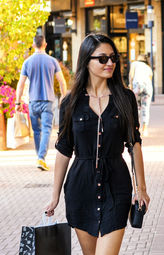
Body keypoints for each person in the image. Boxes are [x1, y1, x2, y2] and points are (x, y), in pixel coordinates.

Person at [46, 34, 150, 255]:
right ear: (87, 61)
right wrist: (54, 196)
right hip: (80, 189)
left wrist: (142, 188)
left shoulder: (125, 98)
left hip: (117, 187)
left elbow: (134, 144)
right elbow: (64, 150)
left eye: (113, 58)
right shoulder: (70, 102)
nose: (110, 63)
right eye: (102, 59)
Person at [15, 35, 67, 171]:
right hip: (48, 101)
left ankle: (40, 157)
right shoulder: (52, 61)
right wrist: (63, 97)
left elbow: (20, 84)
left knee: (37, 131)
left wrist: (17, 102)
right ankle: (41, 158)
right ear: (45, 44)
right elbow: (62, 81)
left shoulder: (27, 62)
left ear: (33, 45)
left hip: (33, 101)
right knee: (46, 130)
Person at [129, 54, 153, 136]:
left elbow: (131, 76)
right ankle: (145, 129)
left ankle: (136, 128)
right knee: (145, 108)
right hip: (147, 87)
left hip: (138, 86)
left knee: (136, 108)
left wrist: (130, 86)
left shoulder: (134, 63)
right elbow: (150, 77)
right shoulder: (148, 67)